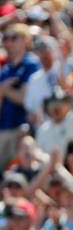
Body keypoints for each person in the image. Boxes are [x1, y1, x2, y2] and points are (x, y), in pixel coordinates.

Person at [0, 23, 40, 170]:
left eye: (14, 38)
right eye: (6, 38)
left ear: (26, 40)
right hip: (3, 127)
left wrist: (4, 90)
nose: (8, 42)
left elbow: (24, 98)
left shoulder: (31, 64)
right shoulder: (5, 69)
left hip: (21, 129)